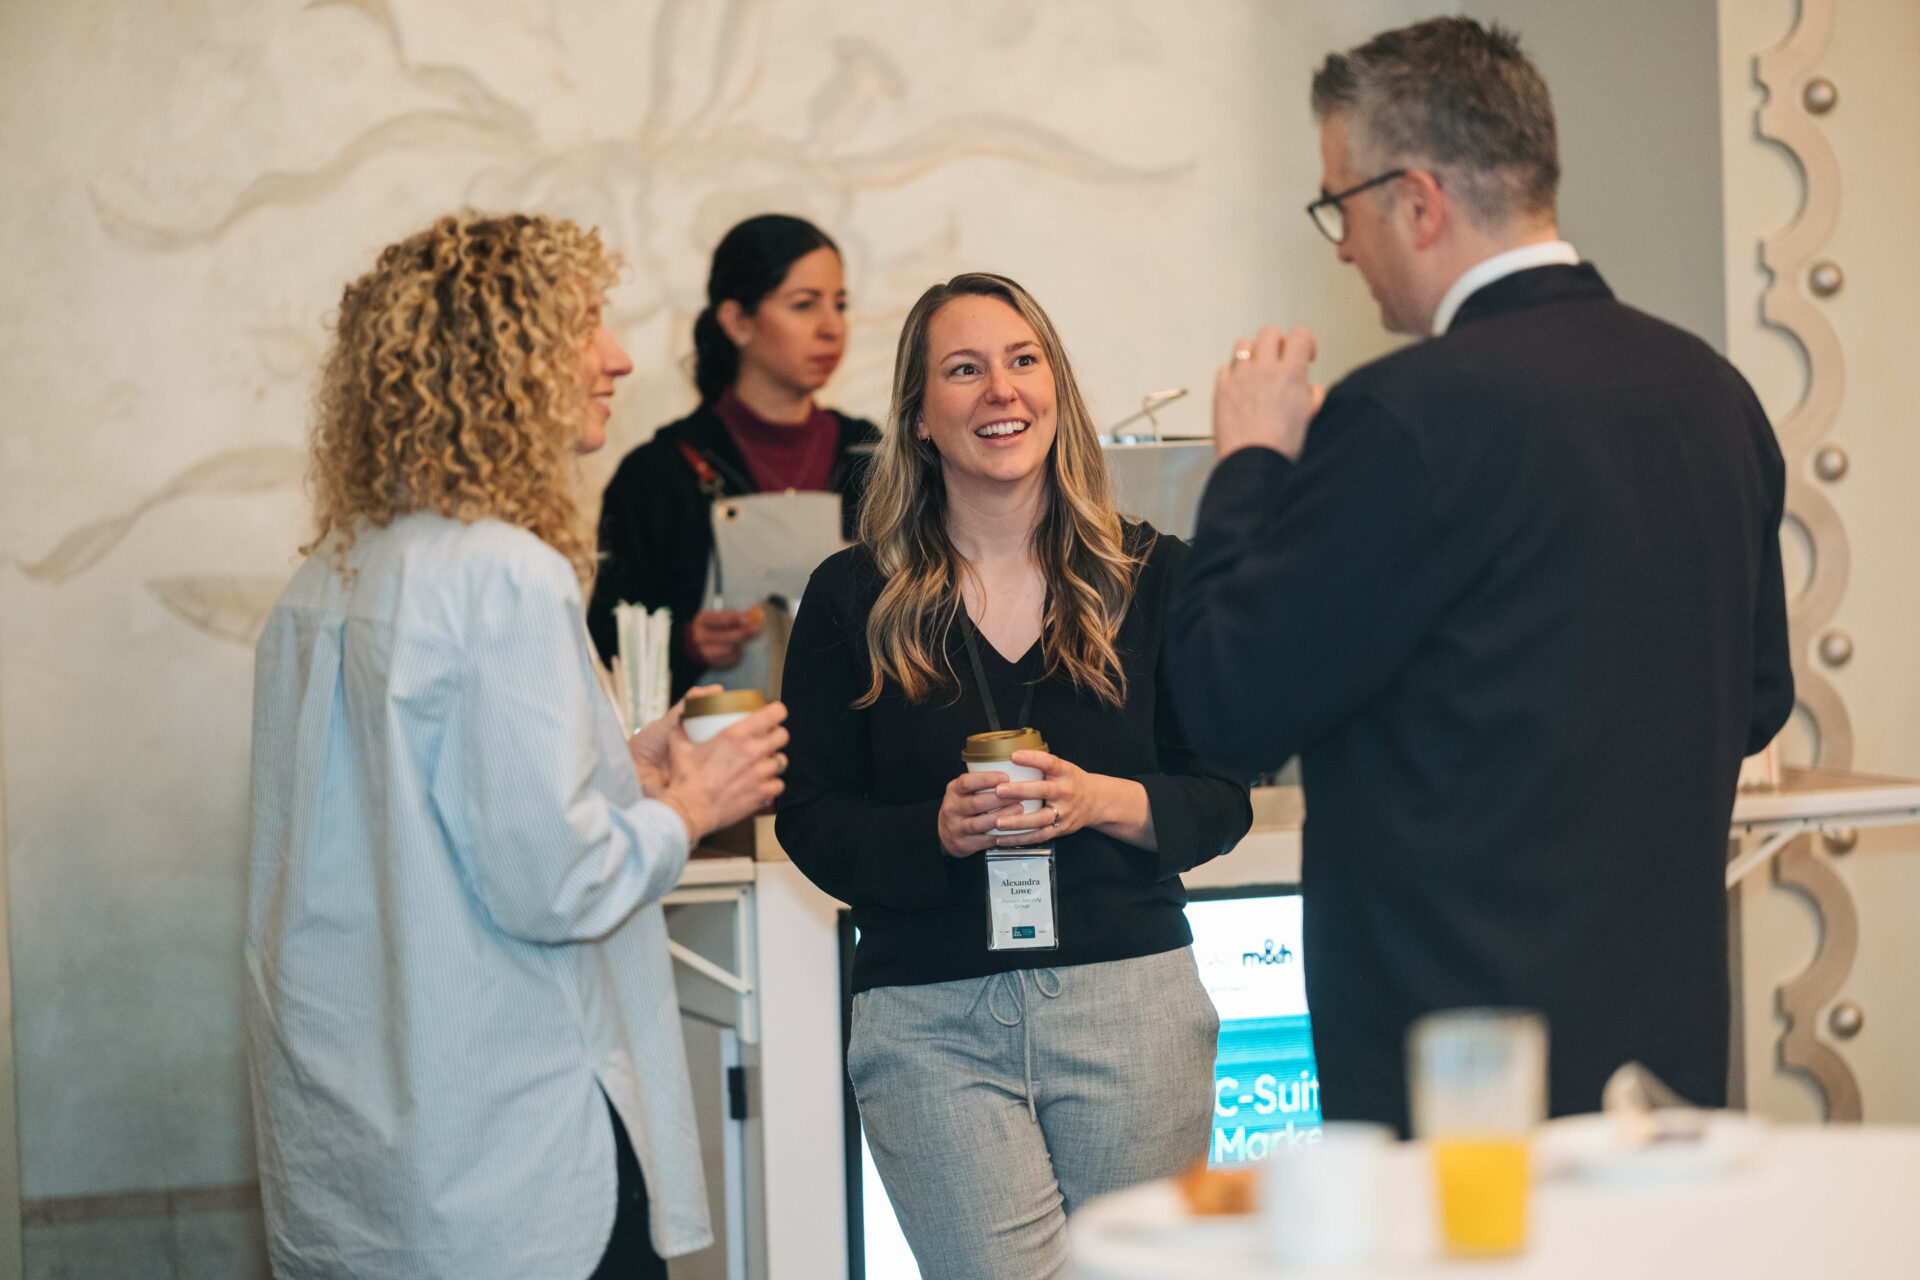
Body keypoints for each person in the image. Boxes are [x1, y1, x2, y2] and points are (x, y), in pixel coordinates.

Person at [1167, 17, 1793, 1133]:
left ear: (1416, 200)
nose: (1345, 248)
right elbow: (1755, 703)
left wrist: (1253, 462)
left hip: (1461, 1064)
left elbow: (1224, 703)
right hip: (1667, 1057)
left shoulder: (1405, 415)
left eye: (1340, 208)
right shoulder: (1712, 394)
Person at [245, 213, 790, 1279]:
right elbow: (560, 882)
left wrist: (615, 766)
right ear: (499, 360)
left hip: (367, 1156)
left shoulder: (328, 578)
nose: (620, 356)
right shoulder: (504, 571)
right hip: (515, 1155)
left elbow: (419, 818)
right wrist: (692, 802)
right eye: (585, 323)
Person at [777, 273, 1252, 1279]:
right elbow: (810, 816)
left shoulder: (1155, 575)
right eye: (964, 369)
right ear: (918, 416)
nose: (1001, 389)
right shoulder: (850, 595)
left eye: (1022, 360)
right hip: (929, 1026)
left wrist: (1095, 800)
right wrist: (933, 831)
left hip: (1131, 1006)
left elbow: (1220, 795)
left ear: (1057, 389)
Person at [588, 213, 879, 700]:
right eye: (805, 305)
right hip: (713, 758)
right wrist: (686, 643)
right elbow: (606, 648)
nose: (832, 327)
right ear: (737, 322)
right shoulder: (660, 473)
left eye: (840, 304)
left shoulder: (870, 456)